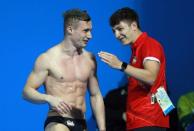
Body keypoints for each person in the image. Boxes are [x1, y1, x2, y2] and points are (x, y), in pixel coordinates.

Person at [22, 9, 106, 131]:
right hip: (58, 120)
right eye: (85, 31)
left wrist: (102, 128)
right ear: (70, 29)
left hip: (81, 123)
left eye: (90, 31)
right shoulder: (47, 58)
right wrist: (49, 98)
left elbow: (95, 95)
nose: (90, 36)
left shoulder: (89, 59)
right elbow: (26, 92)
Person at [98, 7, 169, 131]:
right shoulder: (137, 49)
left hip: (148, 121)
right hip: (140, 121)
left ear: (134, 25)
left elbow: (152, 78)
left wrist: (121, 65)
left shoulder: (149, 44)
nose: (116, 35)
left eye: (120, 29)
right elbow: (157, 86)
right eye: (113, 31)